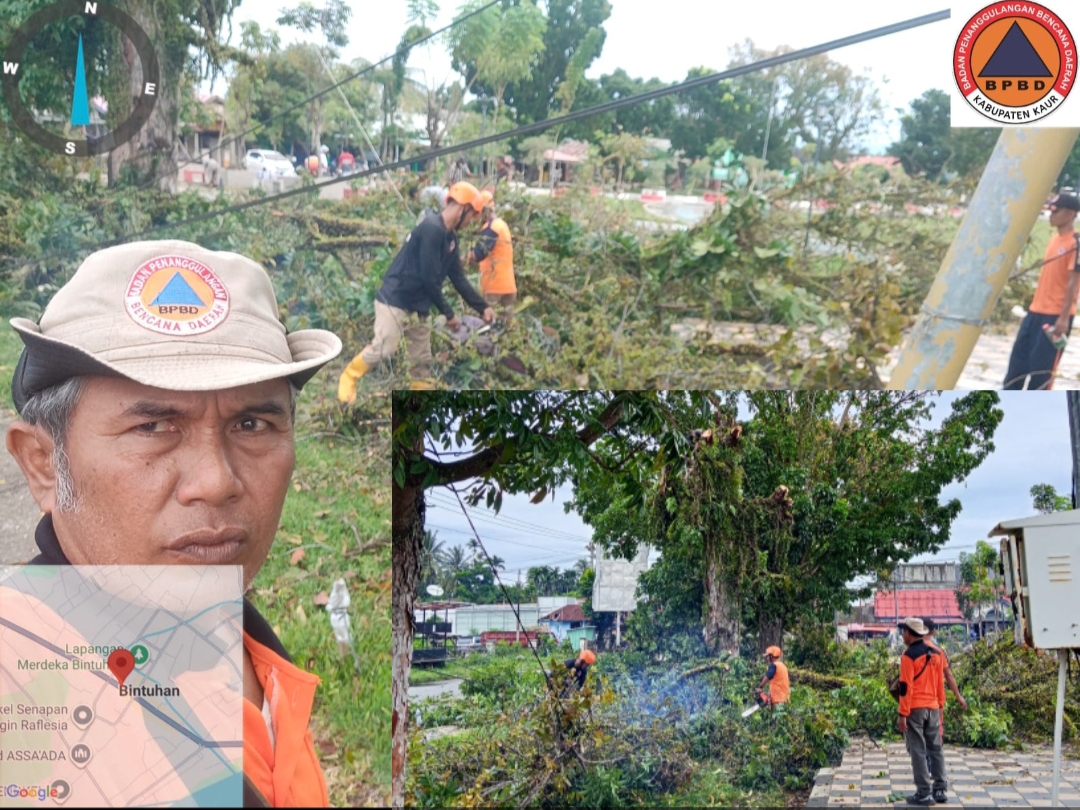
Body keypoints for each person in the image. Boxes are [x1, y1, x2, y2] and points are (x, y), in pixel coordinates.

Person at [4, 239, 342, 807]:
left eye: (252, 424)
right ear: (43, 463)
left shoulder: (251, 651)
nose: (216, 482)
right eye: (154, 428)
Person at [337, 182, 495, 399]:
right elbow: (429, 279)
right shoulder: (432, 229)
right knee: (385, 348)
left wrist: (483, 307)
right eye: (471, 216)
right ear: (463, 208)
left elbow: (458, 278)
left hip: (419, 305)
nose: (470, 222)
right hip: (396, 299)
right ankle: (349, 375)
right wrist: (449, 314)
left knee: (420, 361)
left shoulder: (450, 239)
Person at [1003, 192, 1080, 390]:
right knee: (1017, 367)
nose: (1051, 215)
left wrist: (1063, 318)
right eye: (1050, 211)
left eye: (1056, 211)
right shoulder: (1054, 239)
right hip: (1035, 311)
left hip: (1055, 316)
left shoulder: (1075, 243)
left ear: (1070, 214)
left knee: (1040, 373)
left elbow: (1073, 284)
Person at [897, 617, 948, 806]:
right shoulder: (937, 653)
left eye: (903, 632)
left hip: (915, 709)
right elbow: (940, 683)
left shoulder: (908, 655)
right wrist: (940, 705)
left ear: (909, 633)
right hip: (933, 707)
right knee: (936, 748)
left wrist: (902, 713)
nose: (902, 636)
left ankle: (924, 792)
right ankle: (940, 789)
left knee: (918, 749)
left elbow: (905, 687)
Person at [922, 619, 968, 775]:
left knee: (920, 736)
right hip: (936, 702)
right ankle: (934, 769)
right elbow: (948, 675)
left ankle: (925, 768)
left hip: (917, 703)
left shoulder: (912, 651)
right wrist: (959, 696)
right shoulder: (940, 652)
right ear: (933, 632)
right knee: (935, 736)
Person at [466, 189, 517, 323]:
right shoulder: (502, 225)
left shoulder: (491, 228)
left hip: (494, 286)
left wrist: (462, 258)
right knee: (506, 327)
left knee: (489, 326)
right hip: (508, 285)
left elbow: (479, 254)